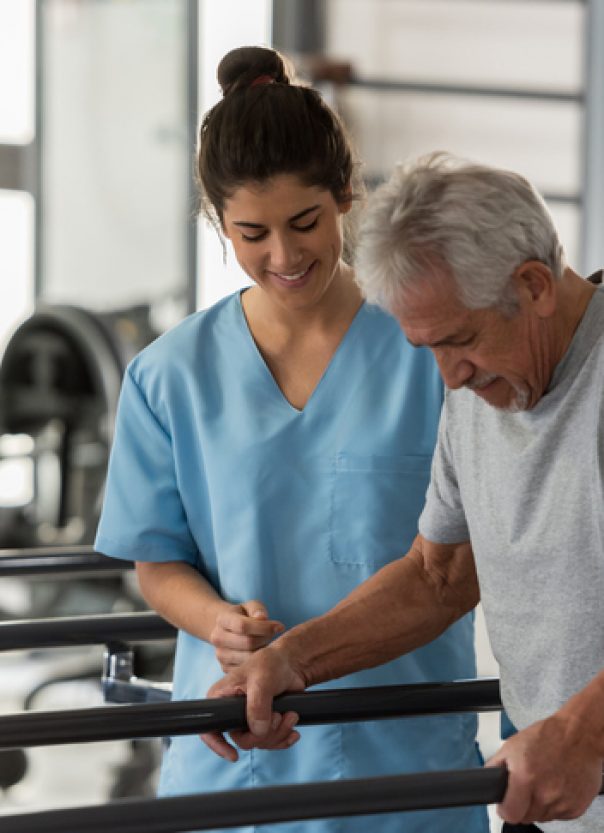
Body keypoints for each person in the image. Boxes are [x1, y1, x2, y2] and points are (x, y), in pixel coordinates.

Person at [94, 52, 488, 833]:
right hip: (233, 755)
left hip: (404, 759)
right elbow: (157, 562)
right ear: (218, 223)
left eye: (306, 222)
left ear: (347, 194)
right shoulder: (168, 377)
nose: (284, 255)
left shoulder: (432, 355)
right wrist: (213, 620)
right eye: (252, 233)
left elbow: (465, 562)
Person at [203, 154, 604, 833]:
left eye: (461, 340)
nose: (449, 376)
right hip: (549, 808)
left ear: (534, 284)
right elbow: (435, 575)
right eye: (428, 349)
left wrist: (587, 731)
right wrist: (291, 658)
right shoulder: (479, 389)